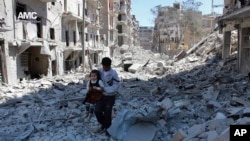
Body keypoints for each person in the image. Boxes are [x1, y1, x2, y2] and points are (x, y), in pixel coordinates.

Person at [94, 57, 120, 135]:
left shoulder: (113, 74)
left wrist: (105, 89)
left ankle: (108, 129)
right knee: (97, 111)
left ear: (110, 65)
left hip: (110, 97)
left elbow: (116, 86)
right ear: (102, 65)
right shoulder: (99, 71)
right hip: (100, 96)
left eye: (107, 67)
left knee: (107, 113)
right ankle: (105, 125)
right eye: (104, 66)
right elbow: (94, 80)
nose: (105, 68)